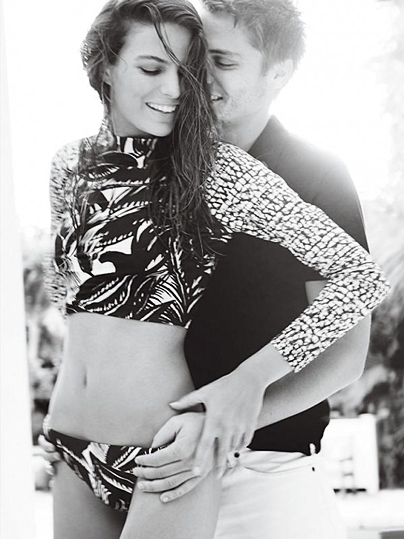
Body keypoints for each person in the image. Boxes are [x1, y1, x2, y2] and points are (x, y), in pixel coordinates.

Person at [42, 0, 389, 538]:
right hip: (69, 438)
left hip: (181, 446)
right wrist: (61, 412)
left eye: (201, 66)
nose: (183, 87)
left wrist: (245, 386)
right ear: (105, 66)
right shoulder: (69, 164)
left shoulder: (219, 169)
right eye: (155, 68)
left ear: (278, 73)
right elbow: (76, 299)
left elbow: (360, 281)